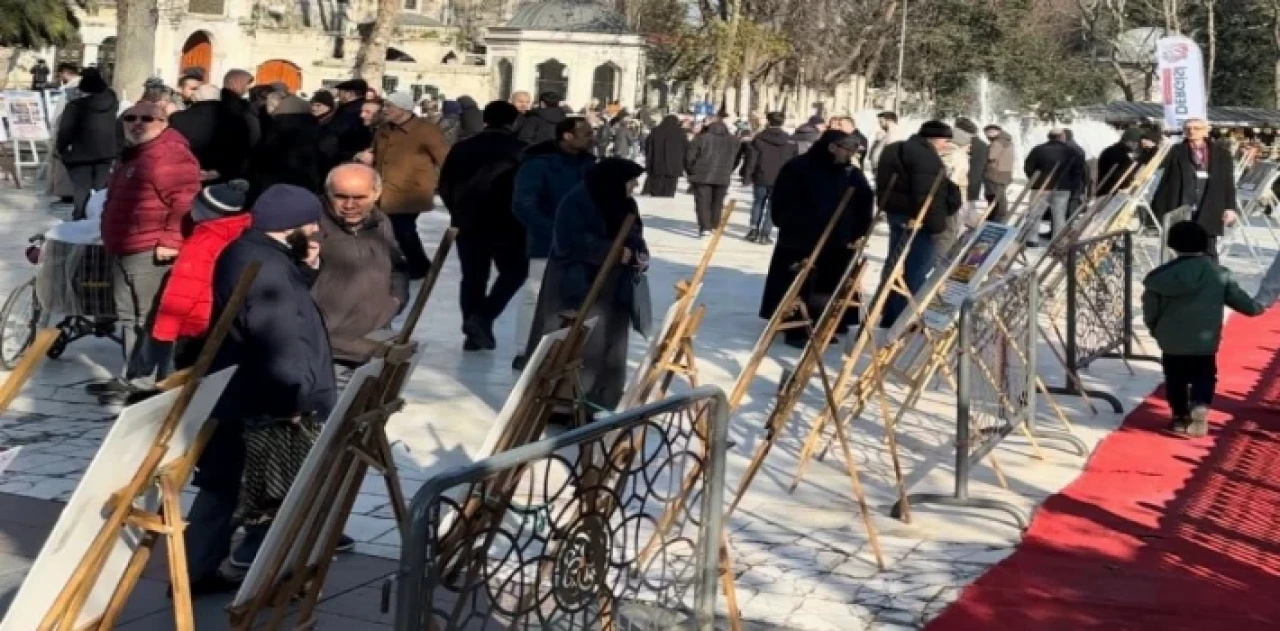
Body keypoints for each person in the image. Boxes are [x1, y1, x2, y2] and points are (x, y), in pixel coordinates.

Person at [186, 184, 348, 593]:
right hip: (261, 401)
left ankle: (196, 571)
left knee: (222, 486)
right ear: (296, 225)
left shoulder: (254, 252)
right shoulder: (267, 268)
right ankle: (258, 572)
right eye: (313, 227)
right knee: (265, 491)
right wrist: (292, 400)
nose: (316, 235)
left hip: (242, 393)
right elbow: (280, 340)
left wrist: (307, 267)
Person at [92, 102, 201, 402]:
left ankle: (152, 381)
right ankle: (134, 374)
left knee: (150, 317)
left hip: (150, 249)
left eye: (147, 119)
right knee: (129, 316)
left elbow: (185, 201)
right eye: (130, 118)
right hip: (125, 247)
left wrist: (171, 239)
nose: (137, 123)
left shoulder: (168, 154)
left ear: (164, 122)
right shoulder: (137, 153)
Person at [528, 159, 649, 411]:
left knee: (609, 348)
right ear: (613, 181)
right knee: (581, 347)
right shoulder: (577, 202)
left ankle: (600, 403)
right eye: (631, 180)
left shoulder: (625, 203)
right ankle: (562, 407)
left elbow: (635, 235)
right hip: (578, 286)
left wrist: (638, 254)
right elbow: (568, 242)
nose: (635, 185)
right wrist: (612, 252)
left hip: (613, 287)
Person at [1142, 221, 1263, 437]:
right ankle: (1200, 405)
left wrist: (1155, 328)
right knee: (1204, 375)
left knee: (1175, 378)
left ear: (1172, 244)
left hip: (1172, 338)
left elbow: (1151, 307)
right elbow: (1243, 303)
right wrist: (1258, 307)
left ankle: (1179, 418)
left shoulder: (1160, 277)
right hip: (1205, 340)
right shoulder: (1219, 273)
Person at [761, 132, 876, 347]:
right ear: (832, 147)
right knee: (800, 285)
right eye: (847, 149)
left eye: (853, 151)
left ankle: (825, 323)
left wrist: (859, 230)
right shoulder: (798, 168)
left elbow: (864, 202)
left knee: (828, 285)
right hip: (802, 241)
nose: (850, 154)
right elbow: (782, 203)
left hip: (838, 242)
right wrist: (799, 224)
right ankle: (796, 328)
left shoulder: (851, 173)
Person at [439, 101, 528, 351]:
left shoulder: (462, 147)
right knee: (514, 272)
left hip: (468, 221)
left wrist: (457, 210)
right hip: (507, 222)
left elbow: (445, 185)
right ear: (513, 121)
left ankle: (472, 327)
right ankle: (483, 317)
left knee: (473, 277)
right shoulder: (521, 150)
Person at [512, 117, 597, 369]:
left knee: (579, 298)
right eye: (586, 133)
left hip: (585, 244)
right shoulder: (538, 165)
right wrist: (555, 231)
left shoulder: (590, 165)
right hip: (546, 243)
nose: (591, 137)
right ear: (567, 136)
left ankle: (567, 350)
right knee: (536, 295)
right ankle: (525, 349)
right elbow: (524, 204)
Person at [312, 164, 409, 370]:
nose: (349, 205)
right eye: (340, 196)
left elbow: (397, 268)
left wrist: (395, 302)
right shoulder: (310, 226)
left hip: (372, 345)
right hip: (326, 349)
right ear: (327, 193)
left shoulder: (380, 222)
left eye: (359, 198)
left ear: (376, 194)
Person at [151, 180, 253, 371]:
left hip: (196, 325)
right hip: (231, 322)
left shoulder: (203, 241)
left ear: (209, 212)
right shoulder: (244, 232)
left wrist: (165, 329)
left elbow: (184, 289)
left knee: (184, 380)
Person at [876, 120, 962, 328]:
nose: (946, 145)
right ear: (934, 138)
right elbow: (927, 195)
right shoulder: (925, 157)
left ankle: (890, 312)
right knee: (916, 269)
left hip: (896, 213)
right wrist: (937, 226)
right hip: (917, 219)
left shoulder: (894, 149)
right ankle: (903, 318)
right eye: (945, 140)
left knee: (895, 264)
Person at [369, 90, 449, 279]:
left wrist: (446, 185)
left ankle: (419, 265)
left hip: (411, 191)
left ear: (403, 109)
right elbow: (376, 151)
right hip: (385, 188)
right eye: (385, 106)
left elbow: (445, 159)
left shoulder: (426, 130)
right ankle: (410, 263)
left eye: (390, 106)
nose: (385, 110)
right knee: (393, 229)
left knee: (402, 229)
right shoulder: (384, 129)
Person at [1152, 118, 1238, 256]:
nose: (1192, 131)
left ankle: (1209, 275)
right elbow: (1156, 164)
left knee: (1209, 248)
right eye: (1188, 129)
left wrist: (1230, 207)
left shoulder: (1222, 154)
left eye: (1196, 128)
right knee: (1179, 248)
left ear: (1206, 131)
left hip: (1209, 204)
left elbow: (1228, 183)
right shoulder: (1175, 151)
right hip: (1181, 204)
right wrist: (1155, 146)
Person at [56, 68, 120, 220]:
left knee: (81, 188)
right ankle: (99, 217)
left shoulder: (75, 106)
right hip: (106, 150)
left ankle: (80, 217)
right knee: (101, 189)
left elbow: (66, 129)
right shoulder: (112, 103)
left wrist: (61, 148)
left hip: (80, 152)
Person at [248, 95, 322, 200]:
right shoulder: (316, 133)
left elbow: (257, 161)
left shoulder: (274, 132)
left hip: (271, 192)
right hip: (304, 193)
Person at [1024, 129, 1085, 246]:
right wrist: (1073, 187)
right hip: (1063, 187)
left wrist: (1035, 179)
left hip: (1041, 186)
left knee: (1035, 213)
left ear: (1048, 136)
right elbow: (1077, 171)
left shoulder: (1038, 149)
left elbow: (1028, 167)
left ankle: (1031, 239)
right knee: (1059, 214)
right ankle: (1058, 240)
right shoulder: (1072, 151)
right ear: (1062, 137)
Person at [746, 112, 798, 244]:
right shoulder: (790, 141)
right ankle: (765, 234)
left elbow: (752, 159)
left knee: (758, 203)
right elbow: (794, 162)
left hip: (761, 176)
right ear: (783, 122)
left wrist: (747, 176)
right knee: (772, 207)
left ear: (768, 121)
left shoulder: (759, 139)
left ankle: (753, 230)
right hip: (781, 178)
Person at [685, 120, 741, 236]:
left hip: (701, 174)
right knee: (718, 202)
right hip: (723, 175)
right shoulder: (734, 141)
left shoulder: (701, 139)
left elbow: (689, 157)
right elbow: (737, 158)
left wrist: (691, 170)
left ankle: (705, 227)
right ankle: (714, 224)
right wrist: (729, 170)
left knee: (702, 202)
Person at [206, 69, 261, 184]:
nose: (247, 88)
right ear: (235, 82)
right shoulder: (232, 105)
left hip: (227, 163)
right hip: (226, 164)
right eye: (246, 84)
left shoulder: (237, 103)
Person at [318, 79, 374, 174]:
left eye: (340, 92)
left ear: (349, 93)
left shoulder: (351, 111)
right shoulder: (355, 107)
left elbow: (336, 132)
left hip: (344, 157)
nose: (338, 95)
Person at [170, 84, 223, 182]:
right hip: (225, 177)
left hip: (187, 175)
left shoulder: (177, 118)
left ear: (195, 98)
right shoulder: (237, 118)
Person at [641, 115, 688, 197]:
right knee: (670, 187)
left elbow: (648, 147)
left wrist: (649, 161)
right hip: (674, 165)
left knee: (657, 186)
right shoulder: (680, 133)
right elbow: (686, 148)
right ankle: (668, 199)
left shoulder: (655, 131)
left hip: (657, 164)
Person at [1097, 128, 1144, 197]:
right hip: (1108, 195)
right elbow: (1123, 180)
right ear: (1131, 142)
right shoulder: (1124, 157)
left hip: (1101, 190)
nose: (1138, 146)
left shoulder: (1109, 150)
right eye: (1138, 143)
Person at [983, 124, 1015, 221]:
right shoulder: (1008, 141)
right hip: (1004, 174)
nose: (987, 135)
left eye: (989, 132)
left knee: (995, 198)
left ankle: (996, 219)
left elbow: (990, 156)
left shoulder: (997, 142)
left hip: (995, 174)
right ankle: (999, 217)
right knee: (1000, 197)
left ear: (997, 131)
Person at [955, 118, 987, 205]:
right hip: (974, 183)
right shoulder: (982, 144)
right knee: (969, 208)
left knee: (961, 211)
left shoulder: (964, 144)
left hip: (963, 183)